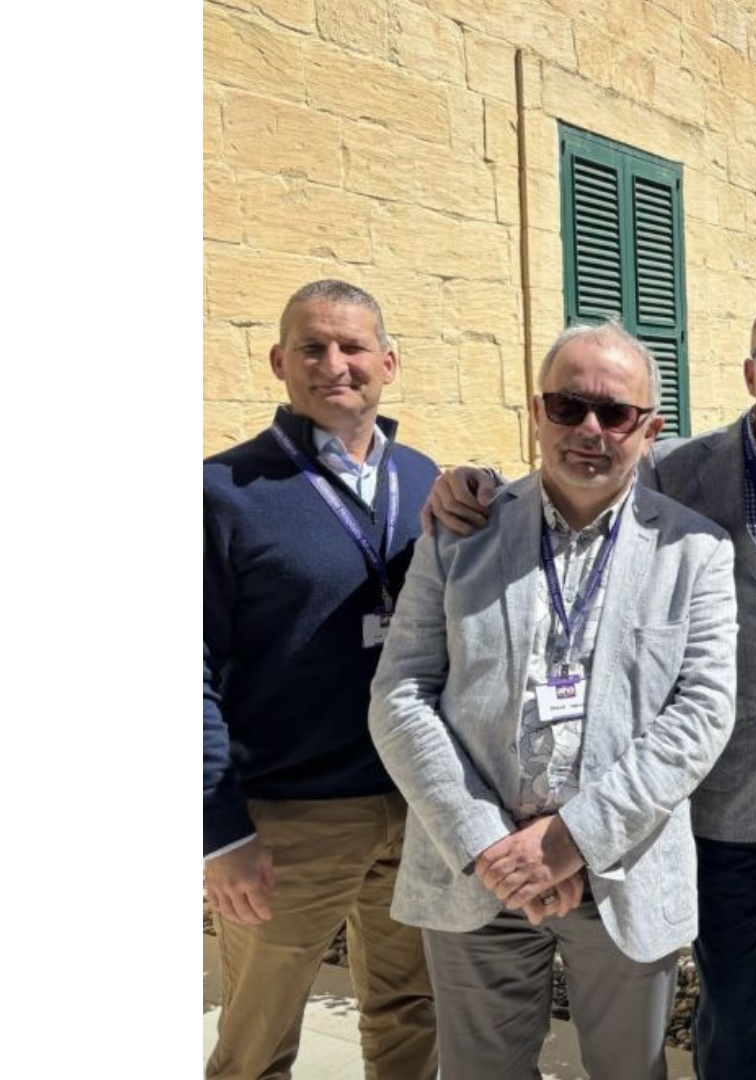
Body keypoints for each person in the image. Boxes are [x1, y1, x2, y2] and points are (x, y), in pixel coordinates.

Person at [426, 294, 756, 1080]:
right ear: (750, 374)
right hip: (732, 787)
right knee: (731, 991)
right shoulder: (679, 468)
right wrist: (471, 482)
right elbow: (581, 472)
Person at [367, 320, 739, 1080]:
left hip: (621, 872)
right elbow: (400, 693)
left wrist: (571, 839)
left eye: (616, 413)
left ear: (650, 430)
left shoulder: (697, 551)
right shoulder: (457, 533)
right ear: (537, 412)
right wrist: (488, 845)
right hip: (476, 872)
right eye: (569, 406)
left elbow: (702, 713)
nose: (590, 430)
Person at [203, 279, 438, 1080]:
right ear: (279, 362)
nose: (334, 364)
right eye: (312, 347)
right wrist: (220, 835)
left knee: (410, 1018)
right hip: (288, 821)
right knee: (257, 1043)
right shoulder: (220, 493)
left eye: (352, 346)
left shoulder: (423, 478)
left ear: (388, 363)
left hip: (415, 805)